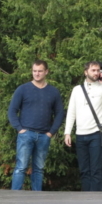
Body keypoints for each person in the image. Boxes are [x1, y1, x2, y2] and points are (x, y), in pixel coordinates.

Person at [7, 60, 65, 191]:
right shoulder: (23, 89)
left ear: (46, 72)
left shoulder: (53, 92)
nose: (37, 74)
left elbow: (60, 113)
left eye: (40, 71)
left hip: (44, 136)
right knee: (21, 167)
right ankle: (14, 198)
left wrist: (51, 132)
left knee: (39, 169)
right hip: (26, 134)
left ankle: (37, 199)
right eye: (34, 71)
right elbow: (12, 111)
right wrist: (19, 129)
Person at [64, 61, 102, 191]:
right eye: (93, 70)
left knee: (97, 169)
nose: (96, 73)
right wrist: (67, 132)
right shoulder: (77, 90)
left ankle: (97, 198)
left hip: (96, 133)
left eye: (98, 70)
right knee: (84, 170)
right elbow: (71, 111)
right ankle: (86, 197)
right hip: (80, 134)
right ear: (85, 72)